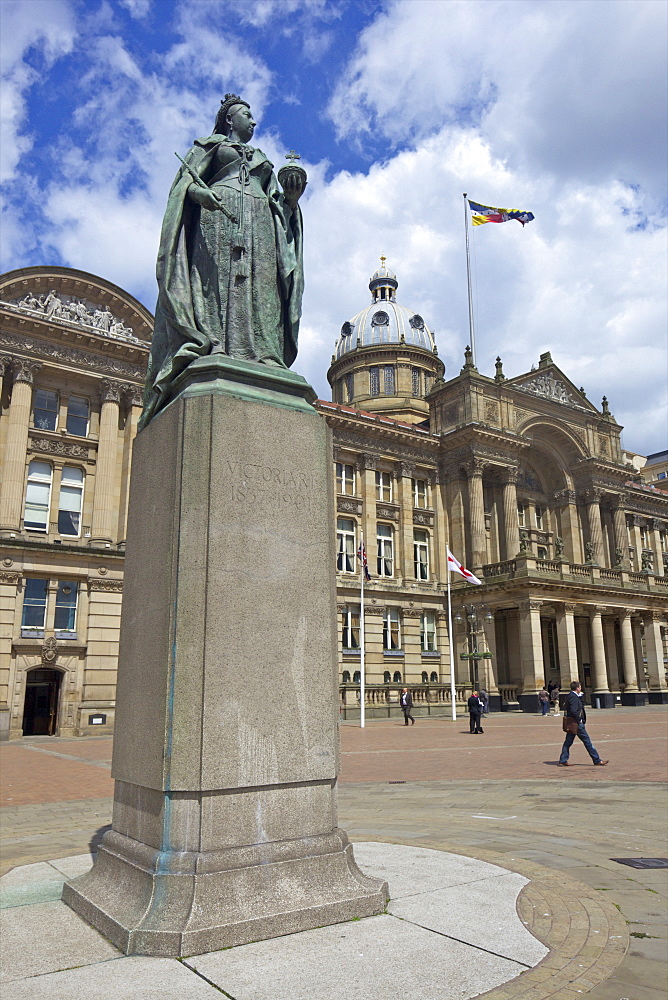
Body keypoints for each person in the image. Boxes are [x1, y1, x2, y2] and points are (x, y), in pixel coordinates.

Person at [141, 93, 306, 428]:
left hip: (260, 223)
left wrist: (291, 198)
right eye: (247, 115)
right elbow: (184, 187)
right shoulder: (209, 146)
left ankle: (266, 354)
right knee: (217, 285)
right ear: (230, 119)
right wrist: (201, 194)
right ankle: (215, 343)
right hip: (217, 221)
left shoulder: (261, 159)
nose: (254, 121)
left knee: (262, 288)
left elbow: (281, 207)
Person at [558, 681, 608, 766]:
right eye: (580, 687)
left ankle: (563, 759)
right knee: (587, 742)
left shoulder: (572, 696)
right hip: (576, 724)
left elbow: (581, 705)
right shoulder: (573, 697)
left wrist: (581, 696)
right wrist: (579, 720)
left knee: (568, 742)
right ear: (577, 688)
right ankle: (597, 760)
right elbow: (574, 710)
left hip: (572, 723)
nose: (581, 688)